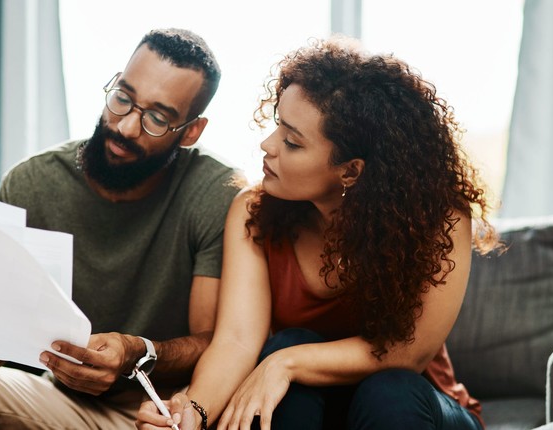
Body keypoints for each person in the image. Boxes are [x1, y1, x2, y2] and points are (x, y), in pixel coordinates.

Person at [137, 36, 500, 430]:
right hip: (316, 414)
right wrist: (193, 411)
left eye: (292, 142)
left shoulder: (439, 217)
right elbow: (237, 341)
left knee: (386, 388)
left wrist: (286, 364)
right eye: (277, 126)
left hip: (414, 411)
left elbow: (406, 354)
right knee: (287, 343)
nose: (267, 145)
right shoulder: (252, 210)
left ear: (351, 171)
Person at [0, 28, 242, 429]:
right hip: (58, 401)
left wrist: (136, 352)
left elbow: (213, 340)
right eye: (123, 98)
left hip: (161, 412)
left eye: (157, 118)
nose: (126, 127)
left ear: (191, 131)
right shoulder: (33, 182)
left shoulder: (215, 192)